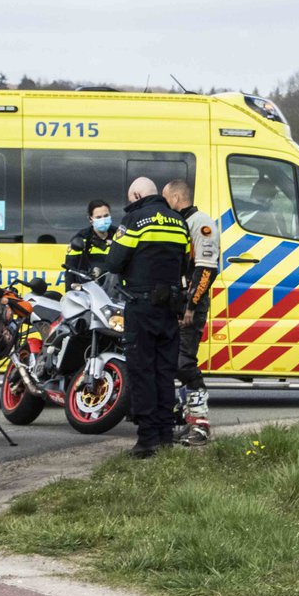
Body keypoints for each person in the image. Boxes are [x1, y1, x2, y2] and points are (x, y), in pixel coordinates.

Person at [106, 177, 190, 458]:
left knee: (142, 371)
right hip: (170, 309)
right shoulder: (179, 222)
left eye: (131, 199)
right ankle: (165, 436)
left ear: (138, 195)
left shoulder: (135, 220)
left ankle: (147, 440)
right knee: (165, 372)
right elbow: (185, 264)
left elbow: (114, 262)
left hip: (141, 307)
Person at [162, 179, 216, 445]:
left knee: (184, 362)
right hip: (174, 302)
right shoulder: (178, 223)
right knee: (170, 362)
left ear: (175, 197)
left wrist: (191, 307)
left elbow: (206, 270)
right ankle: (180, 416)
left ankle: (201, 422)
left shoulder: (201, 223)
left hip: (189, 305)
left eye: (165, 199)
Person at [65, 199, 114, 279]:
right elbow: (70, 270)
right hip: (89, 286)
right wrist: (70, 290)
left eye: (106, 216)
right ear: (90, 219)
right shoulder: (81, 238)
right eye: (98, 217)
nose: (103, 220)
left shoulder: (119, 235)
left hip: (112, 286)